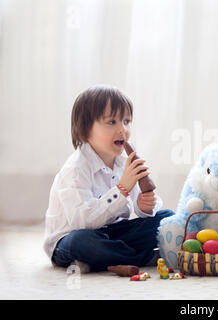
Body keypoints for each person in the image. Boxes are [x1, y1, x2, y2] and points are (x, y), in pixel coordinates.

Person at [43, 85, 174, 272]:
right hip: (71, 238)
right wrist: (121, 189)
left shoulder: (125, 159)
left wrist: (145, 206)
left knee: (167, 219)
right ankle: (145, 257)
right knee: (83, 242)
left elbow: (141, 206)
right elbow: (83, 223)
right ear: (86, 129)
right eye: (112, 122)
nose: (123, 129)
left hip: (114, 233)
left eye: (127, 121)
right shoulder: (75, 169)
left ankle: (107, 258)